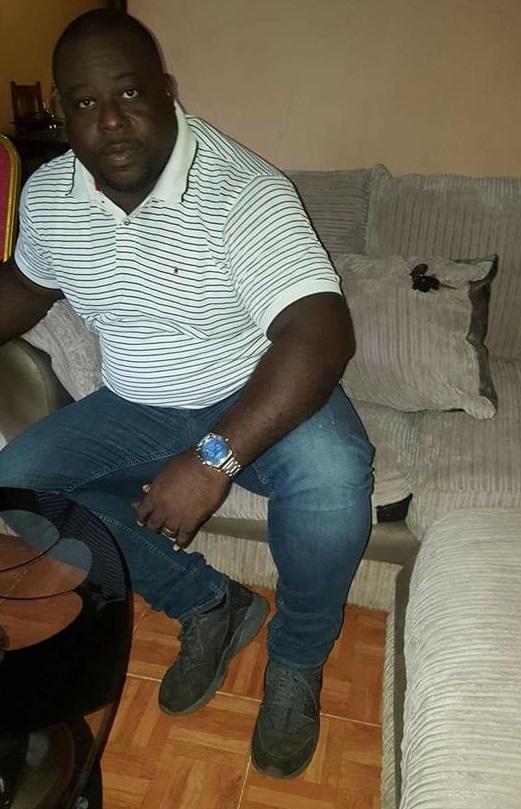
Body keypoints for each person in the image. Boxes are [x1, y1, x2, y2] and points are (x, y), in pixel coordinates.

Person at [0, 9, 374, 779]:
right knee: (20, 483)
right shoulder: (50, 198)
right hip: (136, 402)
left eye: (129, 92)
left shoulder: (243, 191)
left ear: (166, 91)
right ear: (61, 111)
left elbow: (320, 334)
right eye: (84, 102)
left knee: (336, 477)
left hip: (260, 389)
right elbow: (24, 290)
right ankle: (209, 602)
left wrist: (212, 460)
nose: (110, 121)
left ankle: (297, 659)